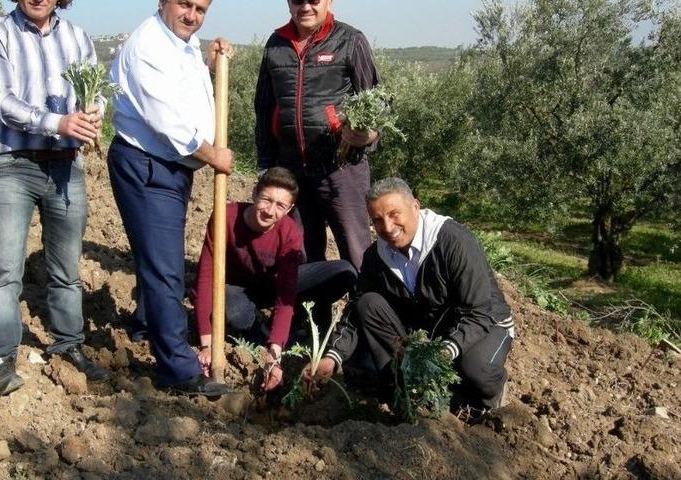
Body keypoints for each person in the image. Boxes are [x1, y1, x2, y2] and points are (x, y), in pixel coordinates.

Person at [0, 0, 110, 396]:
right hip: (13, 165)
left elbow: (95, 92)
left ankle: (68, 344)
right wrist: (59, 123)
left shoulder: (77, 37)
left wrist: (93, 112)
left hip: (66, 167)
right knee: (4, 270)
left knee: (67, 269)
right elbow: (2, 103)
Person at [108, 0, 234, 396]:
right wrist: (215, 155)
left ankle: (148, 324)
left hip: (170, 169)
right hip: (149, 166)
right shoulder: (148, 47)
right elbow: (167, 121)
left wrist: (210, 67)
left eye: (201, 8)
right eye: (184, 4)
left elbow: (184, 96)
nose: (192, 15)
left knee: (158, 257)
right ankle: (178, 370)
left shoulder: (179, 43)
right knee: (166, 268)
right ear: (162, 2)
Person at [304, 178, 515, 410]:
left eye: (394, 214)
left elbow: (478, 312)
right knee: (368, 305)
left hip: (485, 323)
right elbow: (356, 309)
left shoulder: (453, 241)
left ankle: (487, 399)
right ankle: (402, 393)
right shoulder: (376, 256)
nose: (387, 226)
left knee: (475, 368)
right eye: (377, 219)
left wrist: (445, 352)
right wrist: (333, 357)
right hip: (432, 328)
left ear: (415, 206)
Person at [193, 167, 356, 392]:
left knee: (344, 272)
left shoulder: (289, 233)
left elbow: (285, 296)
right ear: (254, 194)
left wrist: (273, 357)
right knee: (232, 308)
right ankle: (257, 329)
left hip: (270, 286)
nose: (270, 211)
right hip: (234, 290)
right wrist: (207, 345)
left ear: (289, 209)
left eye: (280, 206)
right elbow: (204, 279)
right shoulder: (226, 217)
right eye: (266, 200)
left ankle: (296, 326)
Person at [254, 0, 381, 271]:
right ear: (289, 3)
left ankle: (362, 312)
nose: (306, 7)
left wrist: (368, 136)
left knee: (357, 251)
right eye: (299, 0)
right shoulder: (276, 44)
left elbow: (376, 103)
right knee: (299, 254)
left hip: (341, 169)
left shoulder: (350, 40)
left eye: (314, 0)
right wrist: (265, 164)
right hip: (291, 171)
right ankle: (308, 314)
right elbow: (264, 109)